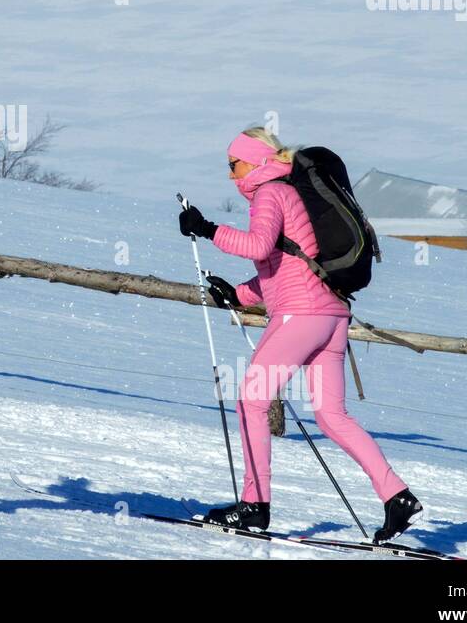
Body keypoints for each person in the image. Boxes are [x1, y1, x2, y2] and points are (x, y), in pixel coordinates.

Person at [179, 126, 422, 543]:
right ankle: (396, 496)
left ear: (254, 160)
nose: (230, 174)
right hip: (331, 315)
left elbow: (257, 247)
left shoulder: (271, 192)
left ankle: (254, 506)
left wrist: (207, 228)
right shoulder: (289, 194)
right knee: (332, 415)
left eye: (233, 164)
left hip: (301, 315)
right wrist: (235, 293)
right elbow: (287, 267)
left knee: (251, 398)